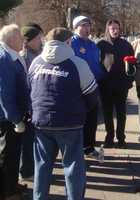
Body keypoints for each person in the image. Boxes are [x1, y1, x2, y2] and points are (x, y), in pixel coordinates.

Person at [28, 27, 99, 200]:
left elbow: (29, 90)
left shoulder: (36, 62)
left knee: (42, 167)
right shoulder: (78, 64)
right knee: (73, 168)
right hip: (70, 124)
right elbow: (92, 96)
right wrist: (82, 111)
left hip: (41, 123)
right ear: (68, 42)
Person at [0, 24, 30, 200]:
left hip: (11, 115)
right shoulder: (3, 59)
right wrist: (16, 120)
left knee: (13, 153)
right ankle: (5, 191)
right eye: (20, 37)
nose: (23, 40)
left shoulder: (10, 55)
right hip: (6, 117)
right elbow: (5, 94)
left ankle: (11, 184)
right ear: (11, 39)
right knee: (8, 155)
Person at [97, 19, 134, 148]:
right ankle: (109, 138)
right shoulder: (101, 45)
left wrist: (130, 81)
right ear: (108, 29)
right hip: (105, 85)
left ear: (120, 29)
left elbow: (132, 65)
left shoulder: (126, 45)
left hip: (121, 85)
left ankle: (121, 138)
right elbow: (97, 65)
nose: (115, 30)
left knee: (121, 113)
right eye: (112, 28)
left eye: (117, 28)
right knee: (107, 113)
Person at [71, 15, 104, 160]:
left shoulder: (93, 45)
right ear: (76, 27)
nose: (86, 28)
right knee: (79, 121)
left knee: (92, 120)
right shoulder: (71, 43)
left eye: (88, 25)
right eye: (83, 25)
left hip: (93, 87)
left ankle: (89, 147)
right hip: (77, 89)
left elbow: (96, 64)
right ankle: (76, 150)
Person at [19, 23, 43, 181]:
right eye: (38, 38)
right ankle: (26, 172)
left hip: (36, 103)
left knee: (34, 139)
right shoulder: (24, 57)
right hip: (29, 105)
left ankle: (33, 167)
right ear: (28, 41)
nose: (41, 41)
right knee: (27, 141)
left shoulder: (38, 53)